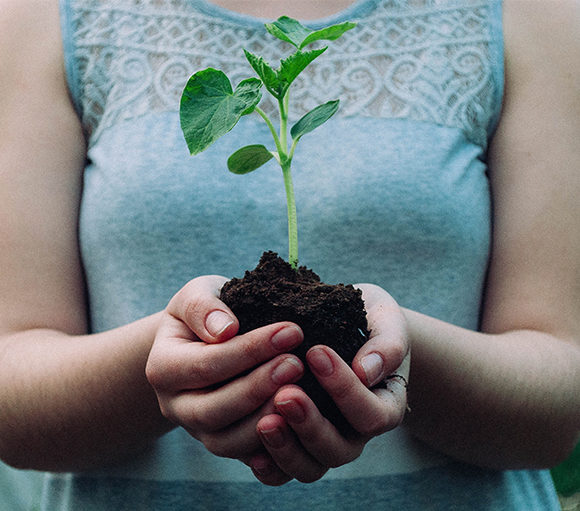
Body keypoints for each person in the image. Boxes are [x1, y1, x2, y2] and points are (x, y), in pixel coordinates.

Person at [0, 0, 578, 509]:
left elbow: (559, 405)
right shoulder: (48, 15)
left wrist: (403, 353)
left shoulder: (526, 13)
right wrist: (170, 368)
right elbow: (12, 397)